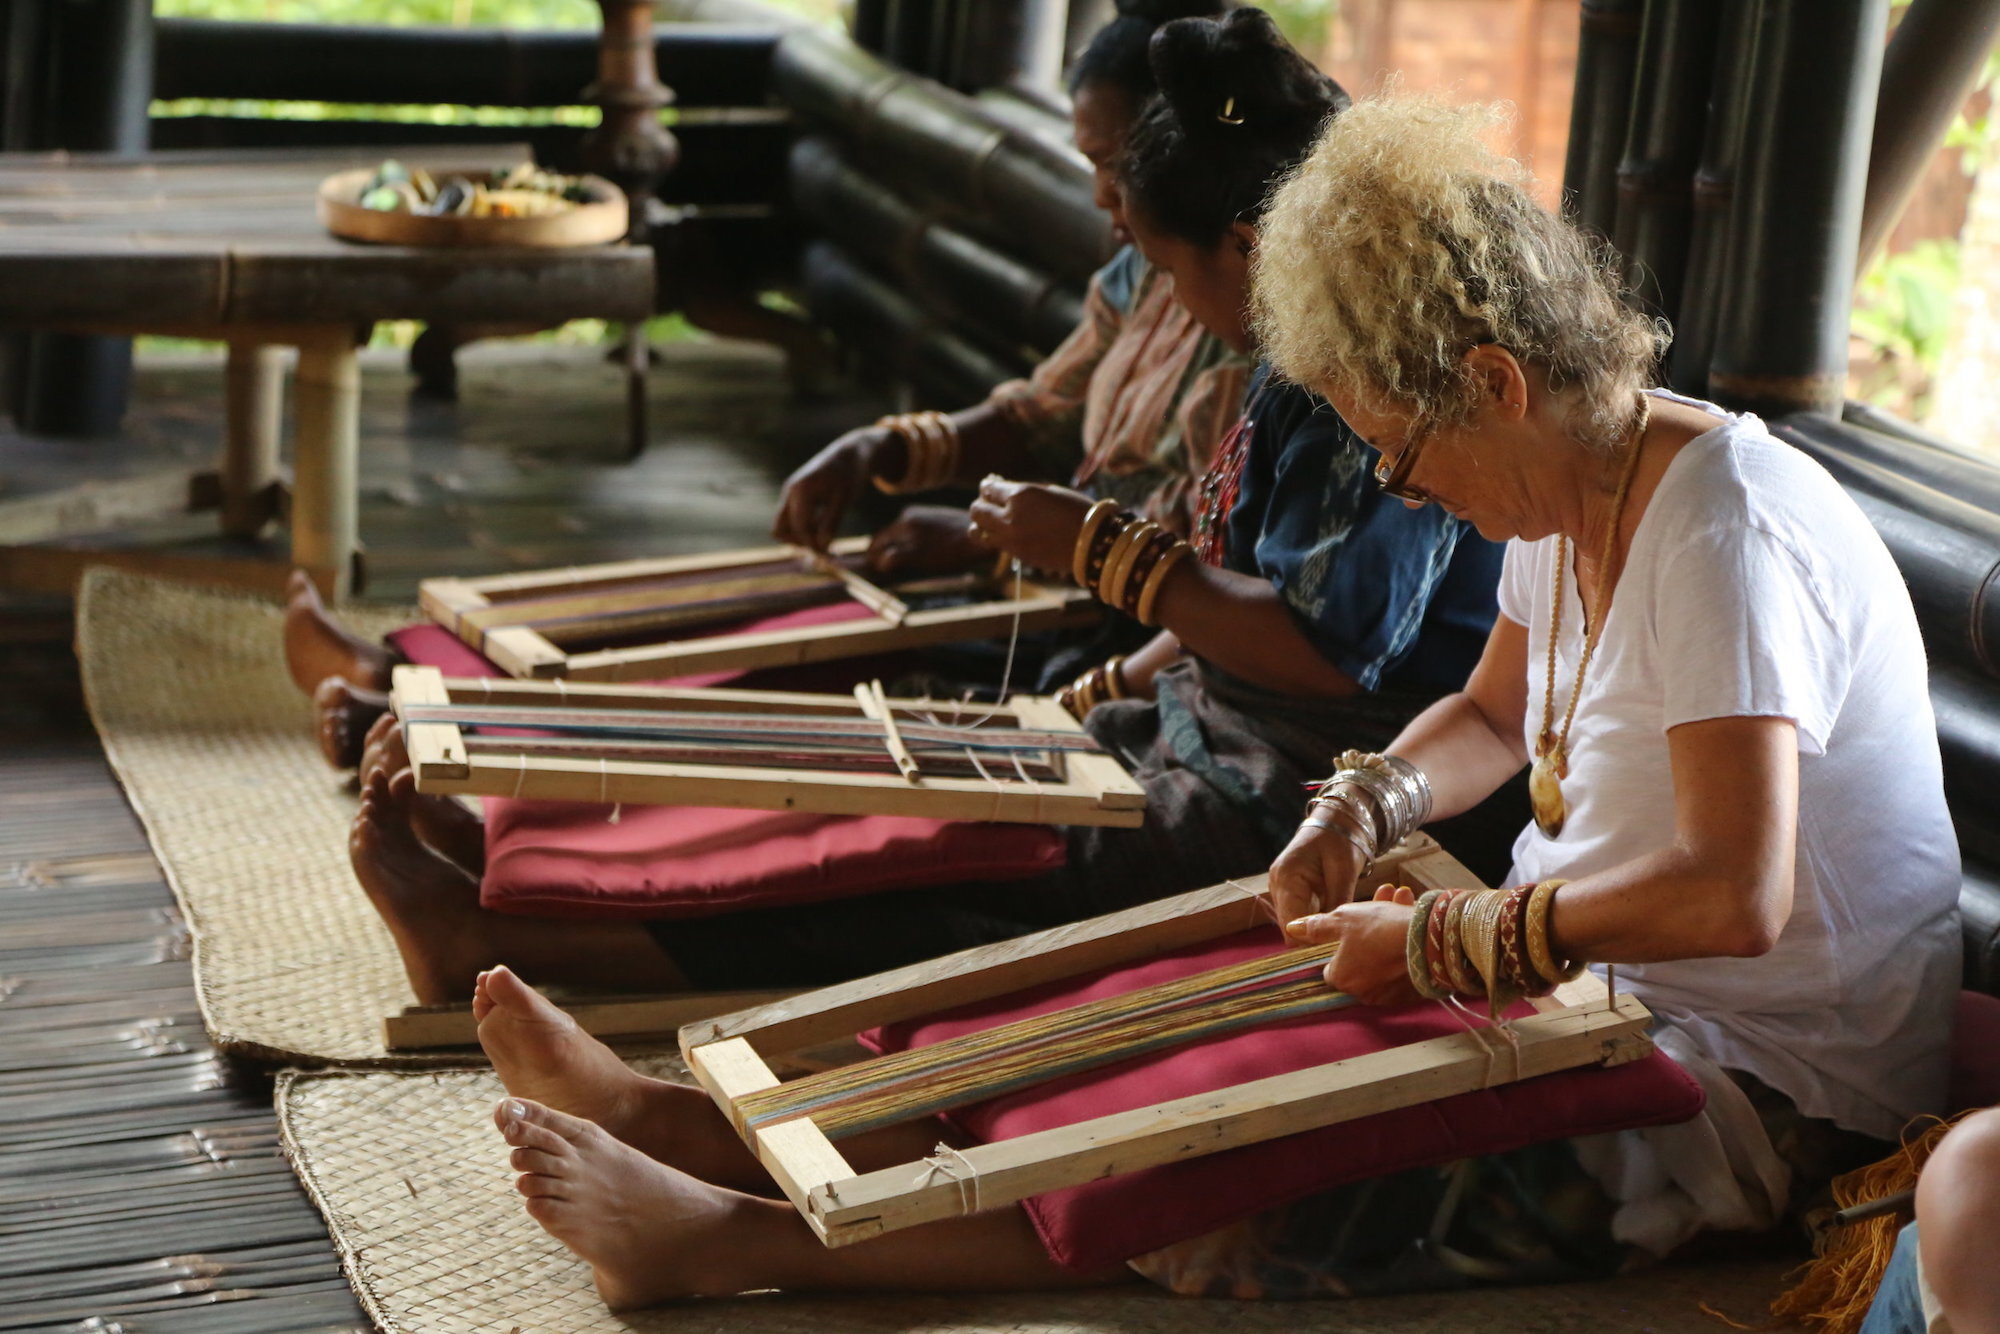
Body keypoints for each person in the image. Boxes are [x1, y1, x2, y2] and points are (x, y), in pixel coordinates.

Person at [471, 91, 1960, 1309]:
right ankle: (696, 1127)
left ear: (1498, 380)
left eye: (1397, 448)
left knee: (1226, 1179)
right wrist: (1363, 801)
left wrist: (1449, 935)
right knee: (1138, 1023)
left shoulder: (1725, 534)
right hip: (1577, 989)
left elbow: (1734, 892)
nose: (1399, 487)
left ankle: (723, 1245)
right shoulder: (1575, 491)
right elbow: (1502, 719)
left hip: (1753, 1088)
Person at [345, 10, 1503, 1009]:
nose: (1155, 281)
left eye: (1165, 259)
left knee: (967, 872)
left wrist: (1104, 557)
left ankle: (504, 937)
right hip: (1208, 717)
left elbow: (1323, 655)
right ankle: (526, 867)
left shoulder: (1381, 387)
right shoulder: (1301, 351)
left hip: (1304, 788)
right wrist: (1096, 689)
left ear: (1248, 249)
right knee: (926, 793)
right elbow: (1236, 600)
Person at [280, 0, 1248, 769]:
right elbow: (1040, 411)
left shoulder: (1251, 327)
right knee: (793, 601)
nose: (1097, 198)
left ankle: (453, 730)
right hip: (1054, 553)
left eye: (1113, 168)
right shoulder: (1136, 270)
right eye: (1089, 166)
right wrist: (880, 448)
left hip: (1108, 602)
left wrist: (1000, 542)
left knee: (827, 666)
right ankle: (412, 677)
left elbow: (1197, 541)